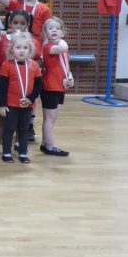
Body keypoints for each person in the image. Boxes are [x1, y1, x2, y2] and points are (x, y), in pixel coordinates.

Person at [0, 31, 43, 164]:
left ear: (30, 50)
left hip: (27, 104)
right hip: (10, 105)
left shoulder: (34, 66)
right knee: (9, 129)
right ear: (12, 49)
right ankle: (6, 152)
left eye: (25, 48)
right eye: (18, 47)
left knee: (24, 130)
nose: (22, 50)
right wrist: (2, 105)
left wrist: (30, 99)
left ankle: (23, 153)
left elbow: (38, 86)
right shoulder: (7, 65)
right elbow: (2, 87)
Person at [39, 17, 73, 156]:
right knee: (49, 118)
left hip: (60, 87)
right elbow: (63, 47)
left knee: (52, 119)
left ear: (62, 32)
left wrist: (70, 77)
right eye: (51, 28)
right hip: (50, 87)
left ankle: (45, 143)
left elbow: (65, 66)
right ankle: (50, 146)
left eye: (58, 28)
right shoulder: (50, 47)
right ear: (45, 32)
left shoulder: (62, 49)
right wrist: (62, 40)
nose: (54, 30)